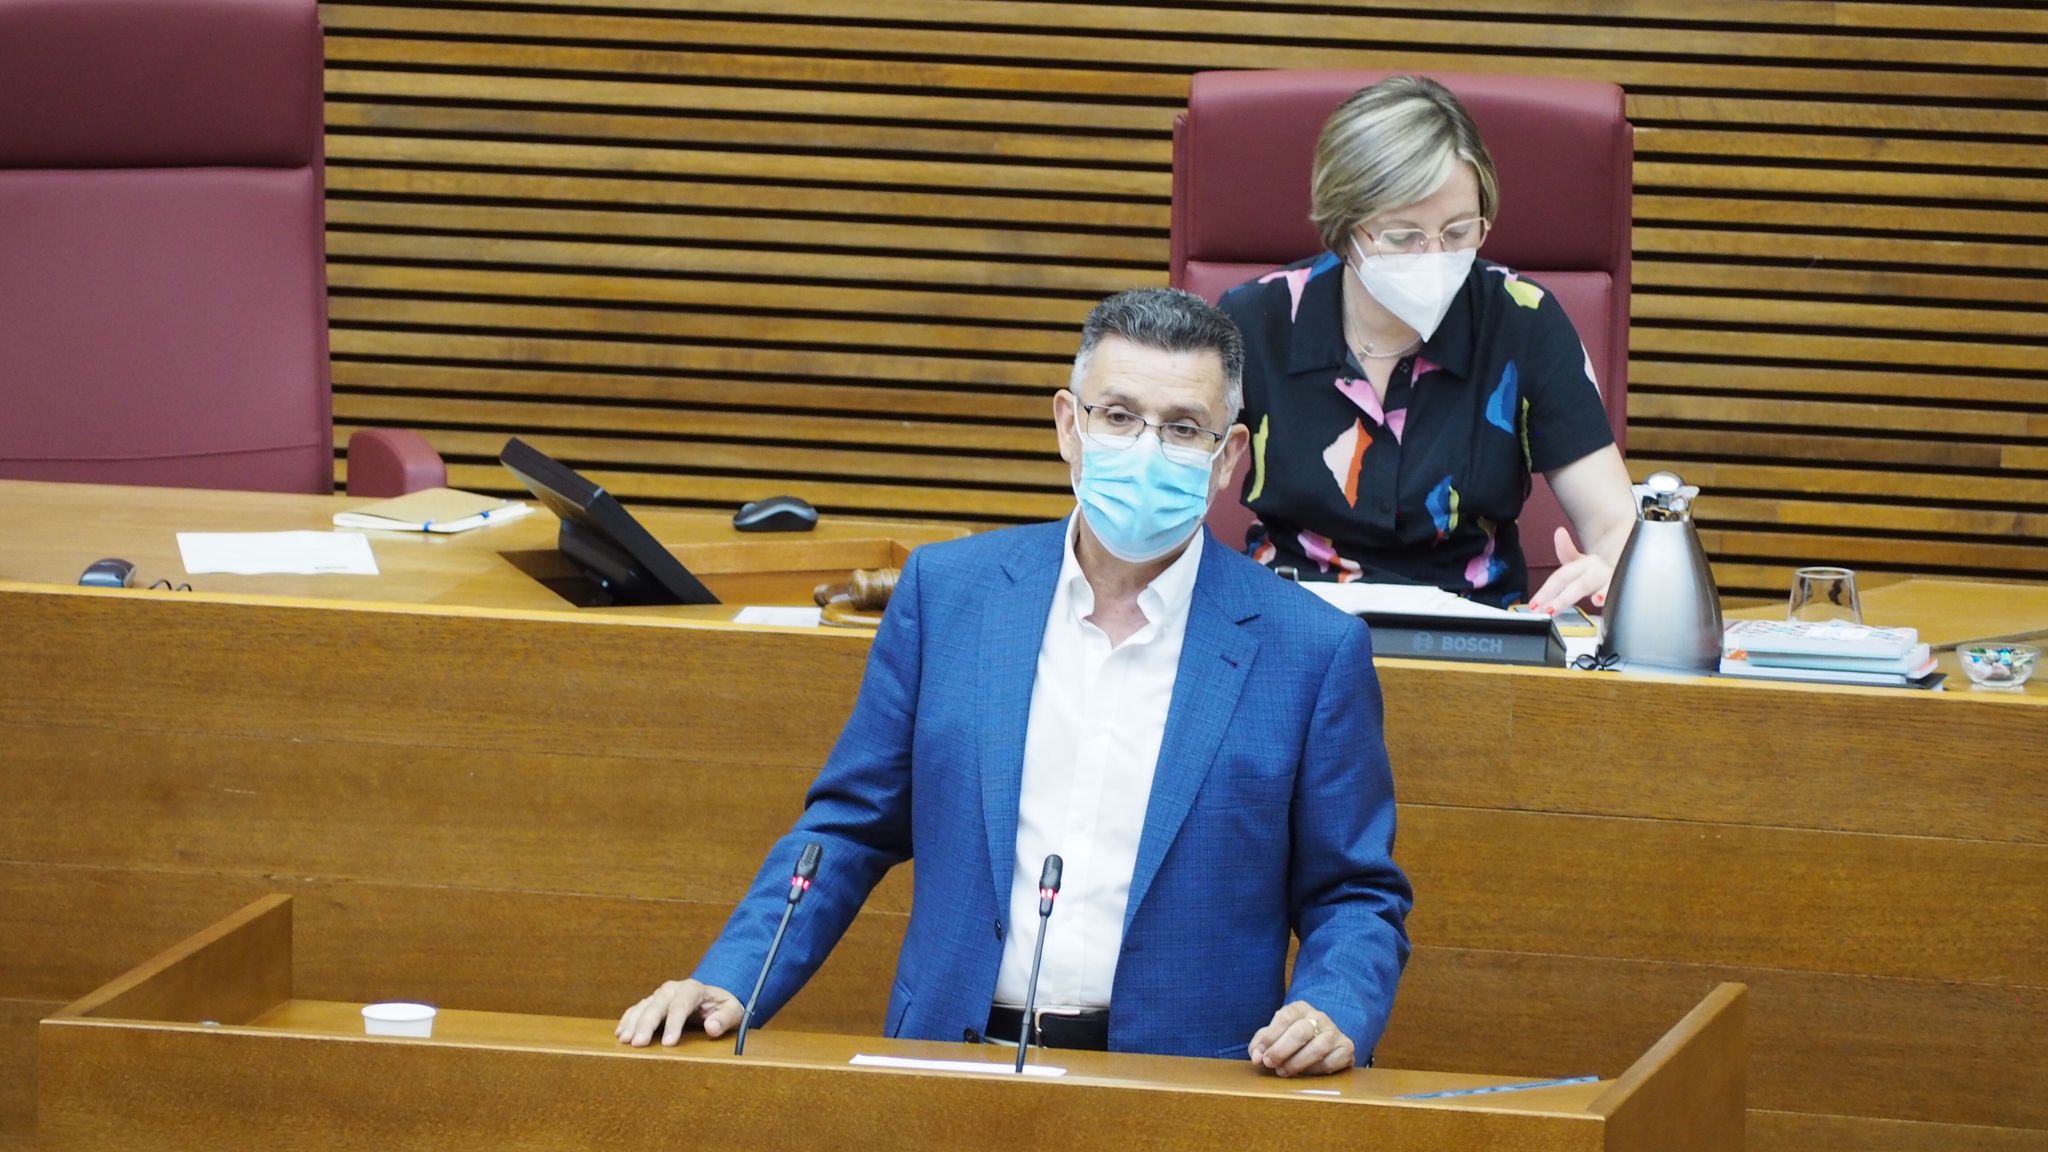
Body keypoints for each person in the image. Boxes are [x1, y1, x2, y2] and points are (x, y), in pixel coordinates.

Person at [618, 288, 1412, 1077]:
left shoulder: (1309, 650)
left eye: (1180, 429)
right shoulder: (948, 595)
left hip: (1185, 1083)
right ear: (1070, 425)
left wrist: (1336, 1003)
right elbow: (849, 827)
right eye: (1119, 416)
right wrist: (732, 976)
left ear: (1227, 457)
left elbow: (1356, 894)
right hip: (949, 1061)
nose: (1145, 448)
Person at [1219, 75, 1636, 613]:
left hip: (1474, 639)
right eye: (1402, 237)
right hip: (1288, 626)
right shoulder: (1255, 321)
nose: (1434, 255)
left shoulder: (1523, 321)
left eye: (1460, 231)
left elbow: (1615, 525)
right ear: (1345, 228)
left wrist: (1609, 566)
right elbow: (1176, 481)